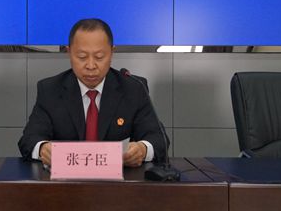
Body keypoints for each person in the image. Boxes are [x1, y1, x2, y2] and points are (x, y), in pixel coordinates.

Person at [18, 18, 168, 167]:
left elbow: (159, 139)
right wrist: (43, 148)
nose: (91, 66)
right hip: (66, 179)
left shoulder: (134, 89)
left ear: (112, 52)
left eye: (99, 57)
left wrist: (142, 149)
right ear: (69, 52)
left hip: (119, 179)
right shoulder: (50, 89)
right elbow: (29, 140)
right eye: (82, 57)